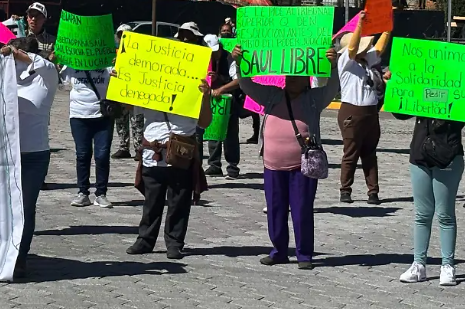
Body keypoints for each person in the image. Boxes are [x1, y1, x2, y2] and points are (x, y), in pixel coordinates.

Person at [234, 44, 339, 269]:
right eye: (289, 74)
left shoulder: (315, 98)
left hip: (302, 166)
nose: (292, 78)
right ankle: (279, 251)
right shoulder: (271, 95)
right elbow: (246, 84)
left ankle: (304, 255)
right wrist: (239, 62)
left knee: (302, 210)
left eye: (298, 75)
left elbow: (333, 88)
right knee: (275, 209)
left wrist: (334, 65)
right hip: (272, 165)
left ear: (307, 79)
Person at [387, 67, 465, 287]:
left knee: (445, 214)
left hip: (448, 158)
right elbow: (400, 112)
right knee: (422, 214)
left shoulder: (459, 95)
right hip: (420, 157)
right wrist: (394, 85)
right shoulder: (421, 91)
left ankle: (447, 265)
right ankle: (418, 264)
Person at [125, 22, 213, 260]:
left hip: (181, 154)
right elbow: (127, 106)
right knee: (151, 201)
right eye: (181, 38)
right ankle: (145, 240)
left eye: (189, 39)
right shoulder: (150, 82)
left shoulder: (196, 84)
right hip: (153, 153)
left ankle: (174, 242)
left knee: (179, 201)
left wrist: (205, 97)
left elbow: (204, 122)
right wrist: (121, 81)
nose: (184, 42)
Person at [3, 36, 58, 278]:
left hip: (34, 155)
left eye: (17, 55)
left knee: (25, 207)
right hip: (6, 153)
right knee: (3, 206)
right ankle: (3, 250)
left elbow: (34, 60)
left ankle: (20, 256)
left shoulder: (46, 74)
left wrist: (12, 52)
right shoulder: (8, 76)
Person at [337, 10, 391, 205]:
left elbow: (380, 49)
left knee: (369, 153)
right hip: (353, 110)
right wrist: (359, 24)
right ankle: (345, 189)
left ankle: (373, 191)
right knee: (351, 152)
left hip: (370, 112)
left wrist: (387, 28)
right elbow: (352, 47)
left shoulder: (366, 62)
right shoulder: (346, 60)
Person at [61, 65, 114, 208]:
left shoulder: (107, 65)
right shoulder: (71, 65)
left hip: (103, 116)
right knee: (82, 154)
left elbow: (117, 83)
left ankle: (101, 194)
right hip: (79, 116)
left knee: (102, 156)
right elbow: (65, 85)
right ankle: (83, 193)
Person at [203, 33, 242, 179]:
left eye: (216, 51)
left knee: (230, 134)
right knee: (213, 132)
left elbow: (238, 80)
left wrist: (221, 87)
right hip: (211, 100)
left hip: (228, 100)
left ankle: (232, 167)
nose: (215, 54)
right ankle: (214, 165)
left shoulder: (229, 58)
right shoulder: (203, 58)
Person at [112, 24, 144, 160]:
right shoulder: (114, 52)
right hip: (119, 91)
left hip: (134, 91)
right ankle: (123, 147)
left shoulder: (139, 53)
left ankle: (139, 148)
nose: (123, 38)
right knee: (120, 119)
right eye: (120, 35)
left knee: (137, 120)